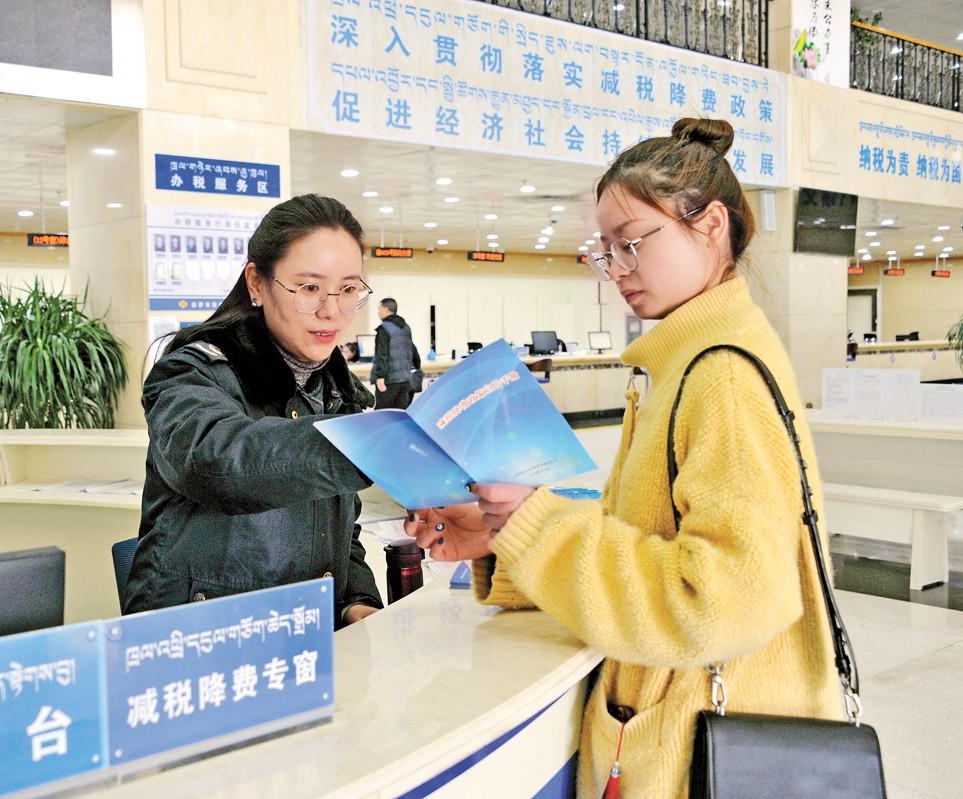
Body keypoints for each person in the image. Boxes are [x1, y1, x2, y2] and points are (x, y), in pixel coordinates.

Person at [406, 119, 844, 798]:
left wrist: (539, 527)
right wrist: (507, 536)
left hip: (698, 744)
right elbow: (645, 540)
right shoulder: (684, 362)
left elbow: (727, 600)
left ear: (712, 226)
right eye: (605, 251)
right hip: (684, 716)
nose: (617, 270)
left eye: (633, 243)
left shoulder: (720, 373)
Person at [126, 194, 383, 628]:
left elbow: (340, 532)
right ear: (257, 284)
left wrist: (356, 600)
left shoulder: (337, 391)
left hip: (302, 635)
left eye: (348, 289)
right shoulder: (191, 373)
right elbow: (219, 463)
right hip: (199, 635)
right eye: (309, 288)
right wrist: (367, 442)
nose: (331, 310)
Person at [370, 297, 419, 409]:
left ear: (386, 309)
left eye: (379, 309)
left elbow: (381, 355)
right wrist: (417, 367)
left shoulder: (383, 329)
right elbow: (413, 350)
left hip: (389, 380)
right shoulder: (406, 327)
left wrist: (380, 377)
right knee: (399, 414)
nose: (378, 312)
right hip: (405, 379)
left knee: (382, 414)